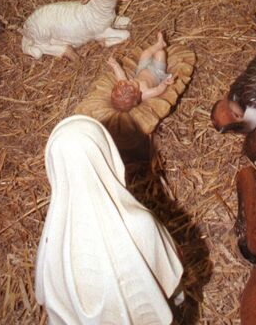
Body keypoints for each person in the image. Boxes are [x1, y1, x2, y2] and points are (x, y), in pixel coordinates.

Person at [35, 115, 184, 323]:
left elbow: (46, 296)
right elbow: (171, 277)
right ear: (106, 155)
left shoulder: (53, 239)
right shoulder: (139, 223)